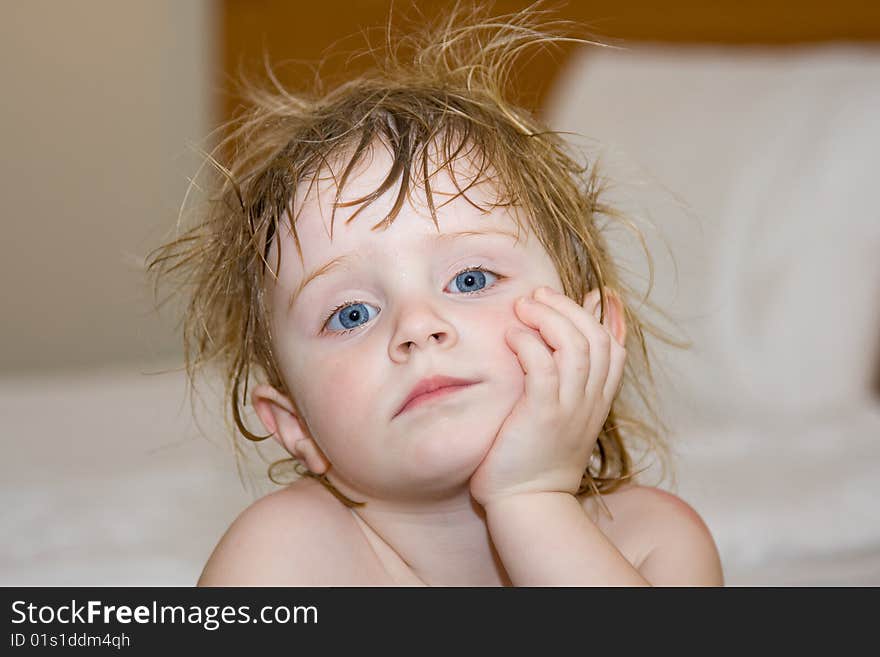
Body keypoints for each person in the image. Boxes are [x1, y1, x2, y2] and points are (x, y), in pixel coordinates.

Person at [147, 2, 724, 586]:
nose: (417, 325)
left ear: (592, 333)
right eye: (351, 314)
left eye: (470, 279)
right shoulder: (283, 557)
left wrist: (532, 499)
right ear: (294, 425)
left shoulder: (653, 543)